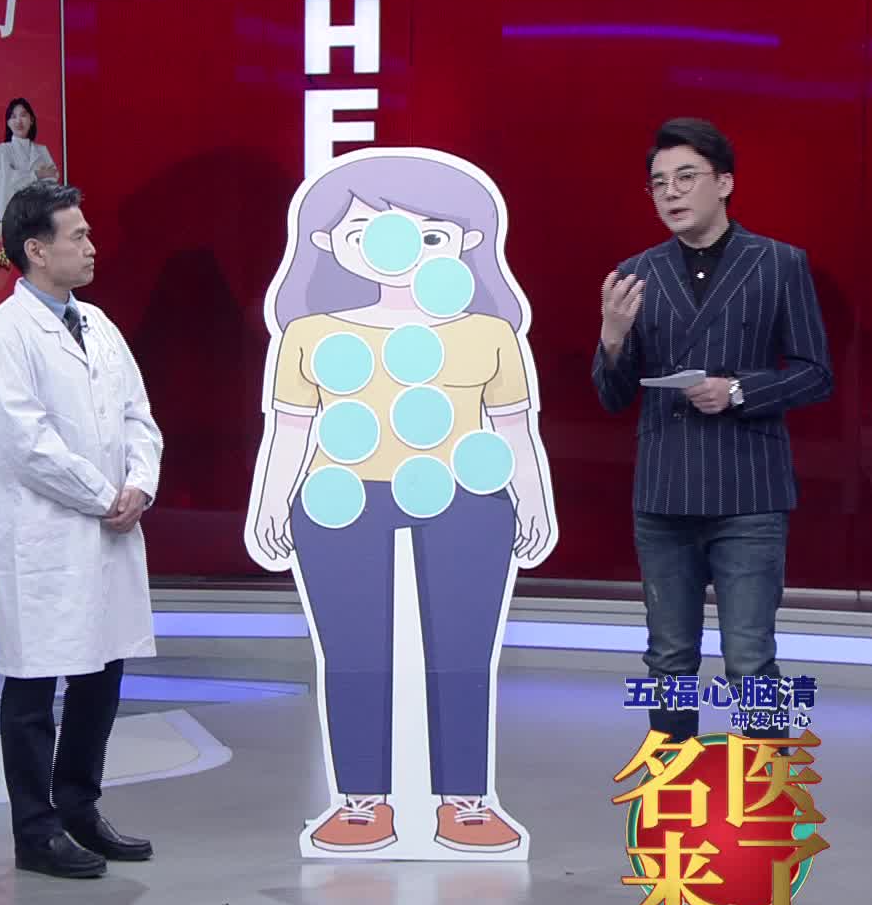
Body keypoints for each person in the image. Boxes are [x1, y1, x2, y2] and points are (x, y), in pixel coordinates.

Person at [244, 149, 557, 856]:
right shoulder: (311, 334)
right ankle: (362, 802)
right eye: (369, 232)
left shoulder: (489, 333)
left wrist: (532, 497)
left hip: (468, 496)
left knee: (464, 650)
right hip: (340, 498)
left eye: (429, 233)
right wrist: (271, 501)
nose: (402, 248)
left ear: (466, 241)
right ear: (328, 241)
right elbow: (290, 429)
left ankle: (465, 801)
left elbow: (514, 426)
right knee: (352, 651)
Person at [593, 117, 833, 744]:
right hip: (665, 495)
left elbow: (816, 374)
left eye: (686, 177)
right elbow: (613, 397)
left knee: (750, 660)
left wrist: (738, 390)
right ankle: (670, 789)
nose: (671, 193)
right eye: (658, 183)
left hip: (748, 492)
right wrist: (612, 338)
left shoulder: (779, 264)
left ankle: (764, 792)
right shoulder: (635, 274)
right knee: (668, 660)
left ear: (723, 183)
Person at [0, 180, 164, 879]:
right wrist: (104, 495)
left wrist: (140, 482)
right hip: (48, 532)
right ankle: (36, 829)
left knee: (101, 672)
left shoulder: (99, 324)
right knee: (34, 685)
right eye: (77, 236)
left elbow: (139, 416)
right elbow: (25, 442)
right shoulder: (6, 333)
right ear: (36, 249)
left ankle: (80, 806)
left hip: (110, 527)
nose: (91, 246)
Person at [0, 97, 59, 222]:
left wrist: (22, 178)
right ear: (8, 123)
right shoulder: (2, 150)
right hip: (10, 217)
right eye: (13, 117)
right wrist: (37, 175)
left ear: (31, 120)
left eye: (23, 115)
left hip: (37, 217)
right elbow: (8, 182)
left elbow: (52, 180)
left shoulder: (42, 150)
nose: (19, 121)